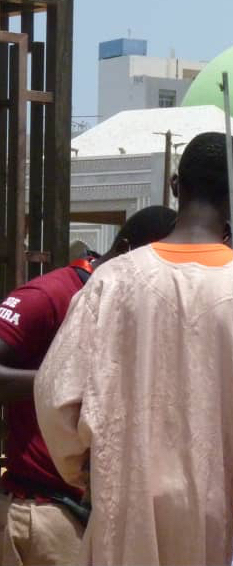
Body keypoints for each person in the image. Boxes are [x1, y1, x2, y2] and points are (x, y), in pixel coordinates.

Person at [34, 132, 233, 566]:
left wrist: (89, 473)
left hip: (127, 516)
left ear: (175, 186)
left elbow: (56, 395)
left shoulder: (112, 283)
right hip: (226, 522)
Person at [0, 206, 176, 566]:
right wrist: (67, 383)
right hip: (47, 515)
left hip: (98, 516)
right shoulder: (50, 295)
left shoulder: (137, 306)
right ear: (126, 249)